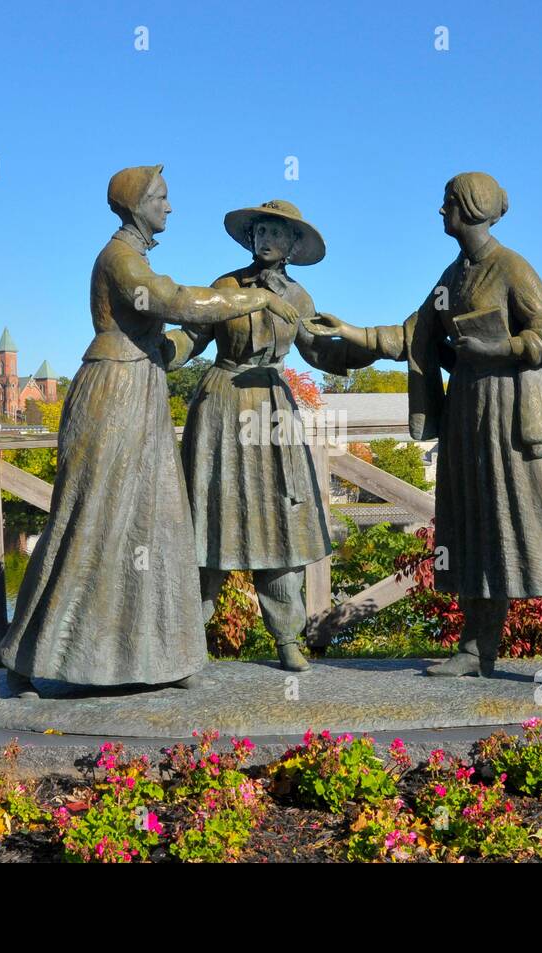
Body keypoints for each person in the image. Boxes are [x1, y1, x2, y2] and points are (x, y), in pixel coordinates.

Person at [0, 166, 301, 695]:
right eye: (162, 198)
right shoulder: (120, 260)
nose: (170, 206)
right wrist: (255, 298)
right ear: (137, 204)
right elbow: (176, 302)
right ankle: (33, 655)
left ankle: (163, 655)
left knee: (156, 522)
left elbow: (174, 332)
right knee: (92, 516)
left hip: (142, 386)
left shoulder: (133, 257)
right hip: (114, 392)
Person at [305, 171, 542, 676]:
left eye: (447, 201)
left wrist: (503, 347)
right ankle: (476, 651)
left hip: (516, 421)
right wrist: (351, 331)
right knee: (474, 533)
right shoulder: (452, 278)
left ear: (471, 207)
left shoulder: (512, 268)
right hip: (468, 419)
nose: (440, 210)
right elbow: (413, 333)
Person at [166, 199, 350, 671]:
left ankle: (287, 637)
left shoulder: (300, 297)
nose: (266, 239)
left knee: (280, 519)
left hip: (272, 407)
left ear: (292, 244)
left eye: (277, 233)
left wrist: (358, 349)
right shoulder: (226, 286)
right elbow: (192, 335)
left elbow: (316, 350)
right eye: (260, 231)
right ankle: (187, 640)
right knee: (209, 517)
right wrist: (157, 352)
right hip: (222, 405)